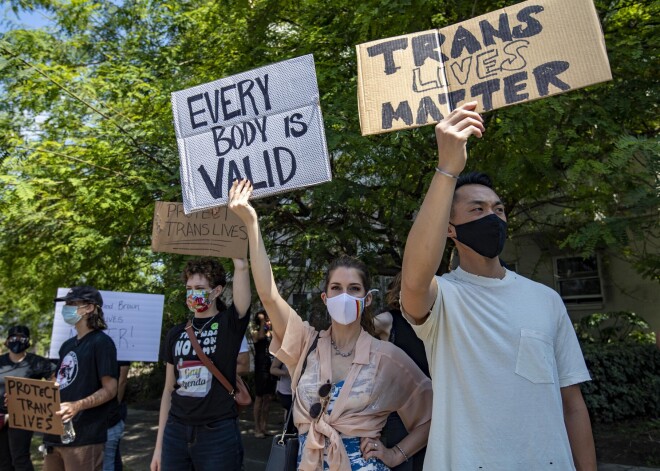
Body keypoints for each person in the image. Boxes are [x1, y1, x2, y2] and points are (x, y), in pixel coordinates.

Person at [400, 101, 597, 470]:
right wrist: (447, 169)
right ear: (450, 230)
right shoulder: (442, 298)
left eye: (499, 209)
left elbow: (572, 404)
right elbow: (413, 277)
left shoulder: (546, 300)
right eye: (477, 209)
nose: (492, 216)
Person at [228, 179, 432, 471]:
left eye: (354, 289)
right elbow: (269, 295)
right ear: (325, 297)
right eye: (336, 288)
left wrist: (396, 454)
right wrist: (251, 223)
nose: (344, 295)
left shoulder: (386, 357)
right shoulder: (304, 343)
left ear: (368, 299)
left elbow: (431, 414)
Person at [150, 257, 250, 471]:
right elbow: (169, 390)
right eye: (189, 288)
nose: (192, 293)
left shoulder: (228, 325)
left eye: (200, 288)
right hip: (175, 433)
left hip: (217, 433)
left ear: (216, 291)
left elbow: (242, 304)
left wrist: (241, 266)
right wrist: (159, 447)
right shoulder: (176, 334)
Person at [43, 286, 119, 471]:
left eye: (72, 304)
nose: (66, 308)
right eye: (66, 304)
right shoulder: (66, 345)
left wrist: (77, 405)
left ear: (89, 308)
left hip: (84, 437)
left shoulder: (102, 343)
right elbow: (56, 383)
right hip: (55, 435)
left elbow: (110, 389)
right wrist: (25, 399)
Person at [373, 273, 429, 471]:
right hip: (399, 417)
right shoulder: (388, 320)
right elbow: (353, 334)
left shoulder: (435, 324)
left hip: (432, 414)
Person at [0, 325, 57, 471]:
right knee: (3, 461)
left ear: (28, 341)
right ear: (7, 341)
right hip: (1, 418)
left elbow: (55, 380)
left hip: (23, 417)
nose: (17, 341)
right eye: (13, 338)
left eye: (21, 338)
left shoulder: (37, 362)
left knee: (20, 458)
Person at [251, 310, 276, 438]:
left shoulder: (270, 333)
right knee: (259, 398)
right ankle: (257, 428)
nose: (267, 321)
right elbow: (259, 337)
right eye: (265, 319)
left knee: (268, 398)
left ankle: (264, 426)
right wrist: (261, 323)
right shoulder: (255, 332)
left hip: (270, 366)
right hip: (260, 367)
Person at [269, 357, 292, 431]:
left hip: (300, 390)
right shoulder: (283, 351)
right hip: (286, 390)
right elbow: (272, 369)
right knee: (290, 409)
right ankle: (287, 433)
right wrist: (285, 373)